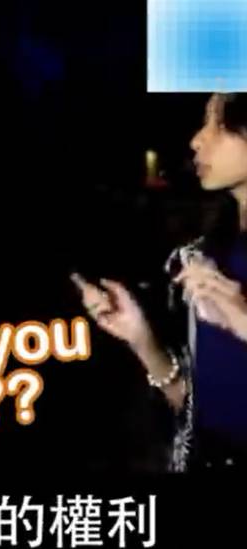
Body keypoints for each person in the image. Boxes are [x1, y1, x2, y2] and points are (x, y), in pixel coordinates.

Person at [72, 92, 247, 471]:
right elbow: (191, 407)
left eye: (219, 123)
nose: (197, 140)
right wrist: (142, 340)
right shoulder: (203, 260)